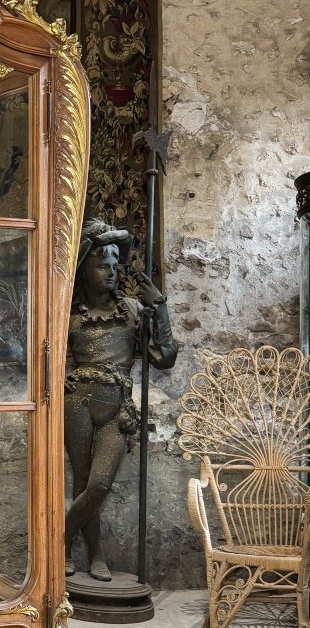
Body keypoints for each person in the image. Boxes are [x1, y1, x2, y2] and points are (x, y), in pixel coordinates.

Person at [64, 218, 177, 581]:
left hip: (117, 407)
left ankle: (57, 542)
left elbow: (165, 357)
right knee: (82, 482)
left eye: (115, 265)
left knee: (98, 485)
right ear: (85, 270)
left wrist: (158, 307)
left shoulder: (130, 310)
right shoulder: (68, 315)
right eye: (102, 265)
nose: (111, 272)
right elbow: (54, 360)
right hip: (77, 402)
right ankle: (96, 555)